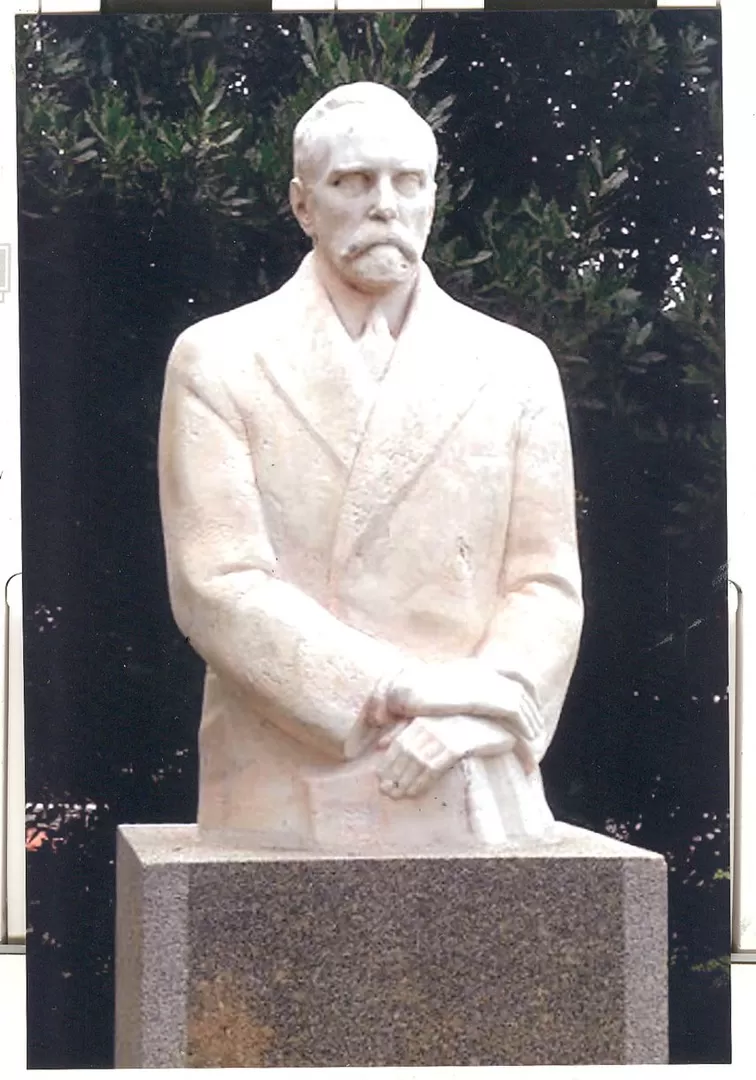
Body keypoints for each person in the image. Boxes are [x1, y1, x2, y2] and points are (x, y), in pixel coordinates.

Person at [158, 82, 584, 851]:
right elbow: (218, 585)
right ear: (302, 203)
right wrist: (399, 687)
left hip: (472, 776)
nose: (383, 204)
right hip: (285, 780)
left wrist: (478, 711)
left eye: (407, 181)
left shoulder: (517, 367)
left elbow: (543, 585)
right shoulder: (217, 359)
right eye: (351, 182)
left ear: (431, 195)